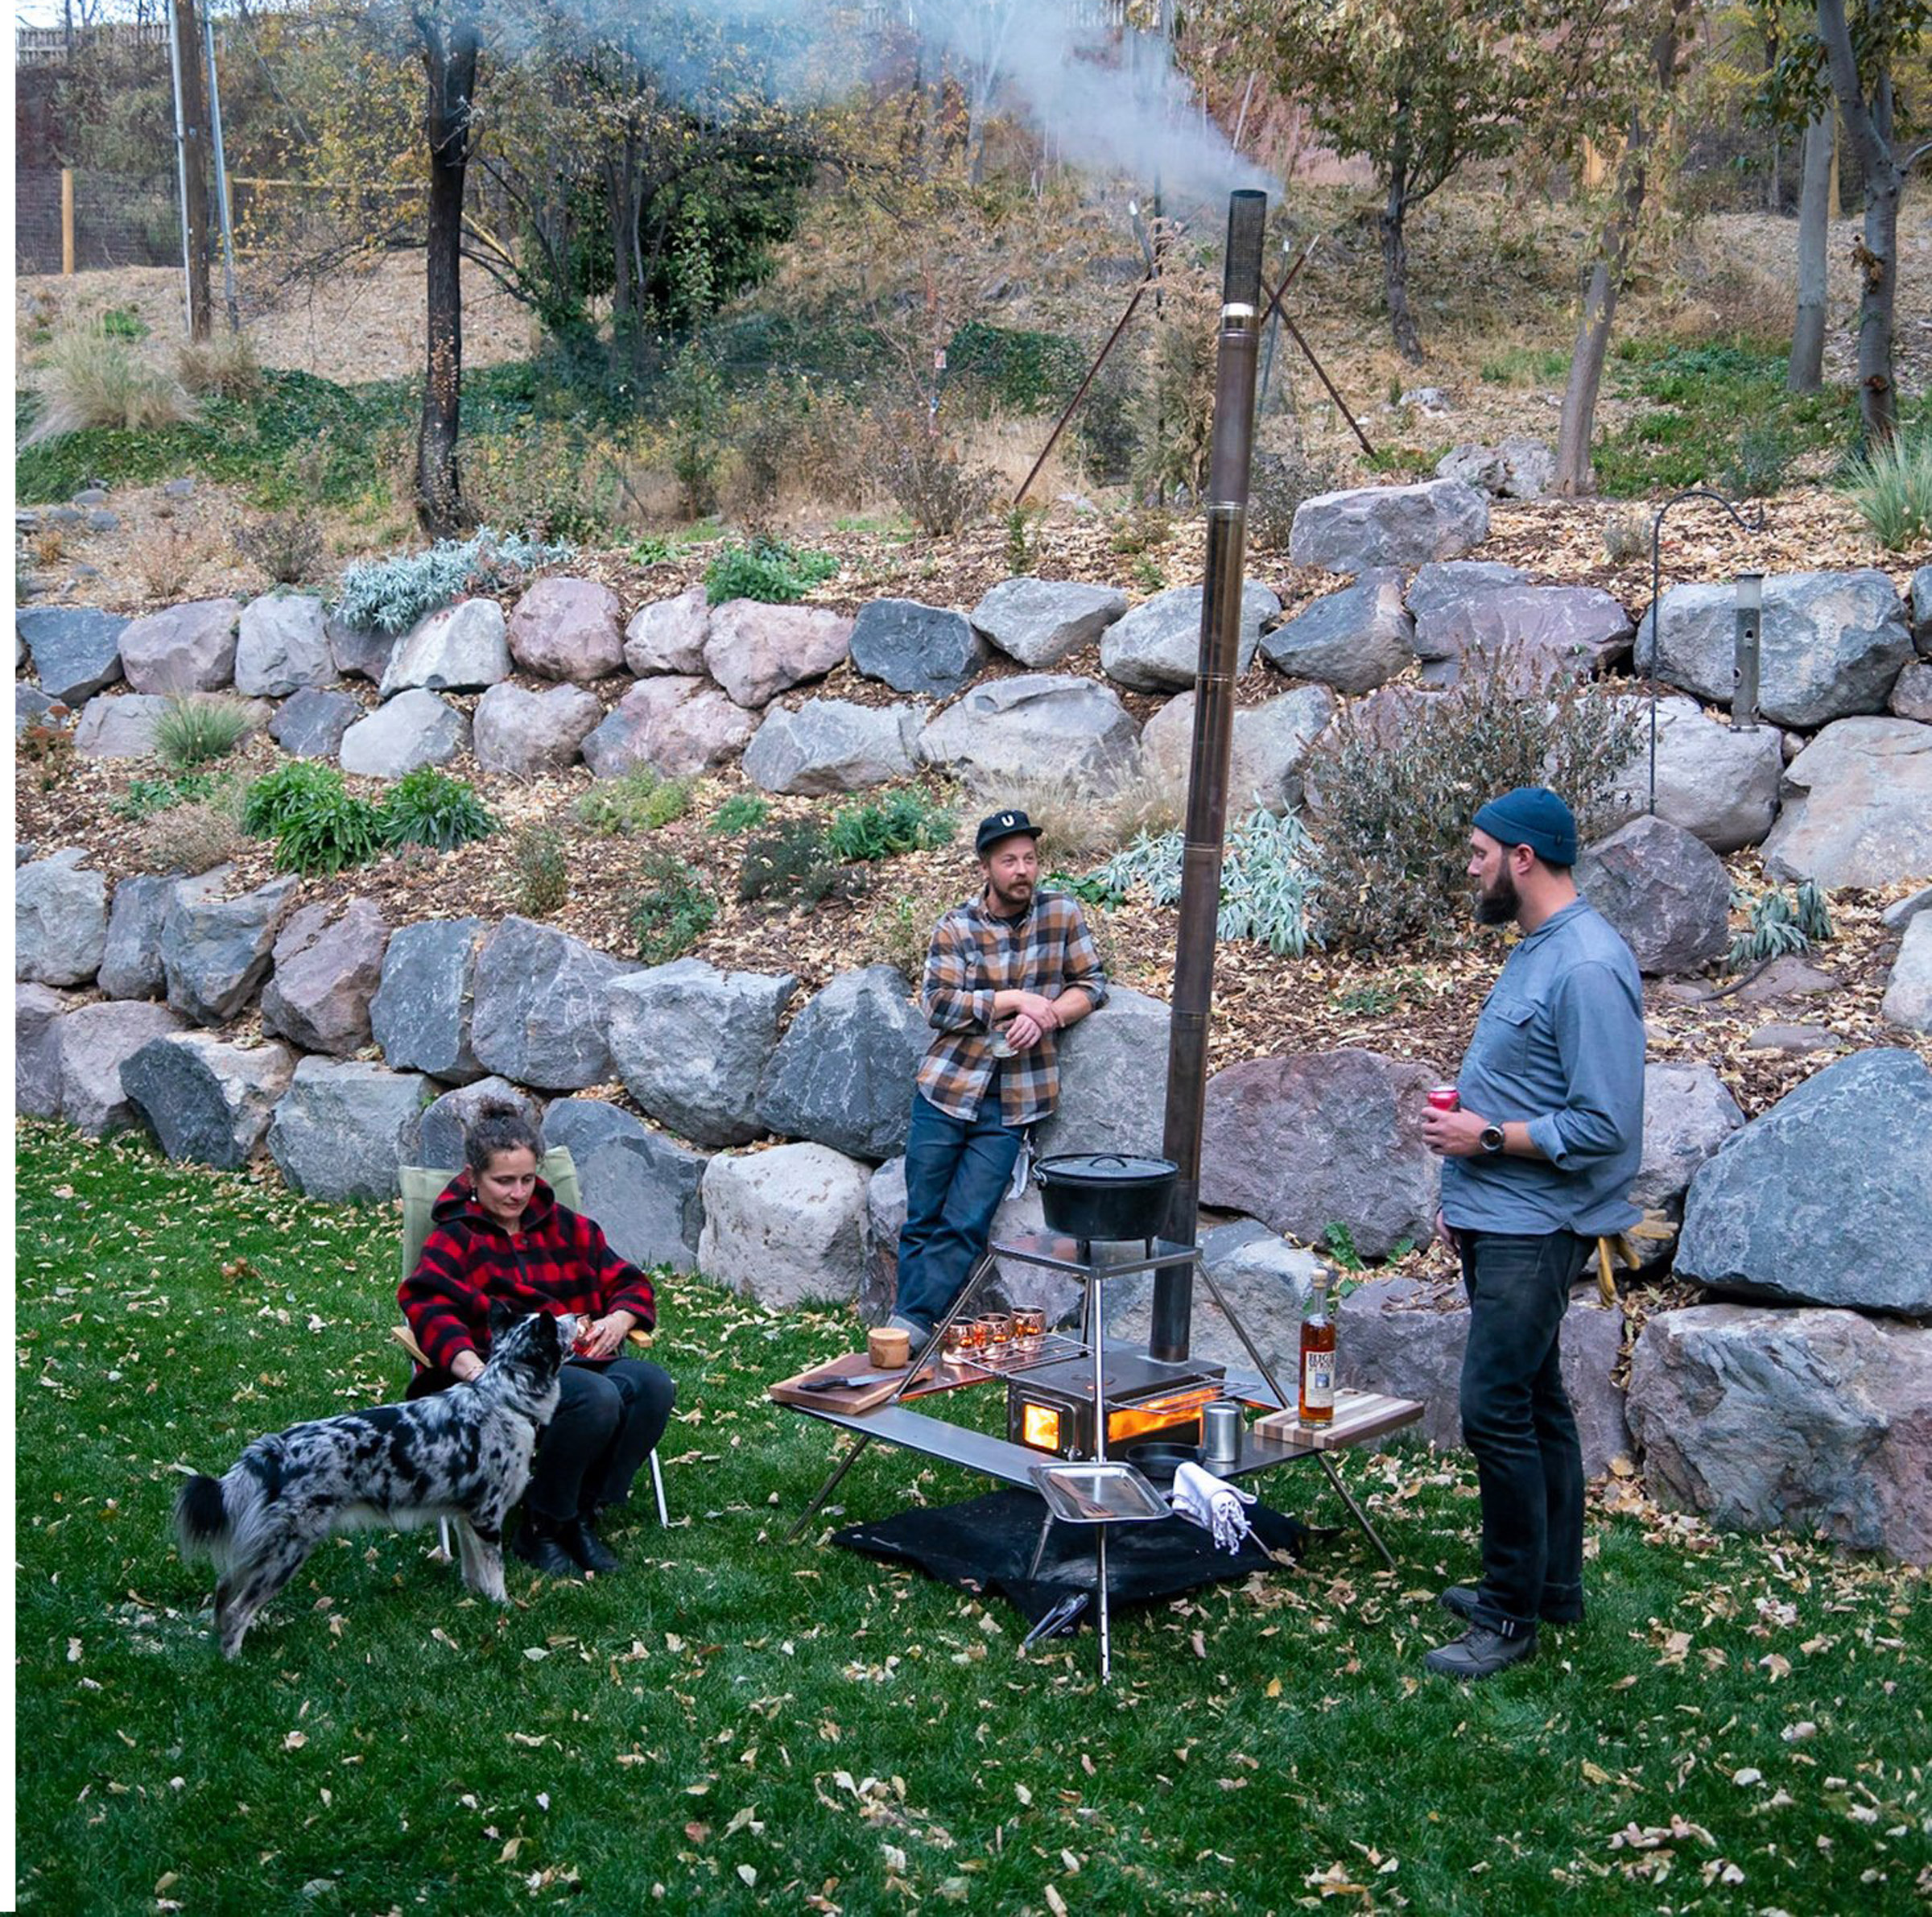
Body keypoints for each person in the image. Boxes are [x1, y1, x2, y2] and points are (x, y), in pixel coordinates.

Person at [1420, 786, 1645, 1681]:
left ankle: (1507, 1616)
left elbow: (1605, 1123)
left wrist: (1485, 1139)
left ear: (1523, 857)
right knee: (1538, 1399)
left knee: (1494, 1409)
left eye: (1480, 853)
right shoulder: (1539, 947)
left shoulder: (1587, 964)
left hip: (1538, 1225)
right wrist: (1465, 1181)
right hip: (1498, 1215)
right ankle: (1552, 1587)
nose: (1471, 868)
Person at [399, 1102, 676, 1579]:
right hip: (499, 1374)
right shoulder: (454, 1239)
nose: (518, 1193)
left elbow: (629, 1281)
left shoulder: (569, 1228)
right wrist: (475, 1372)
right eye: (504, 1181)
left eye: (527, 1179)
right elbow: (429, 1309)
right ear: (473, 1177)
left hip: (576, 1357)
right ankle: (541, 1527)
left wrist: (618, 1318)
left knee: (653, 1385)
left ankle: (579, 1513)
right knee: (596, 1397)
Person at [887, 808, 1108, 1345]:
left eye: (1029, 858)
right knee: (923, 1216)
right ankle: (909, 1329)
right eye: (1009, 860)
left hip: (1013, 1101)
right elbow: (937, 1005)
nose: (1022, 869)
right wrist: (1012, 1000)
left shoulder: (1061, 914)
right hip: (946, 1091)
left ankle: (906, 1328)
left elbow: (1091, 983)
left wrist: (1048, 1016)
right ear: (986, 866)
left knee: (966, 1219)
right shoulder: (956, 926)